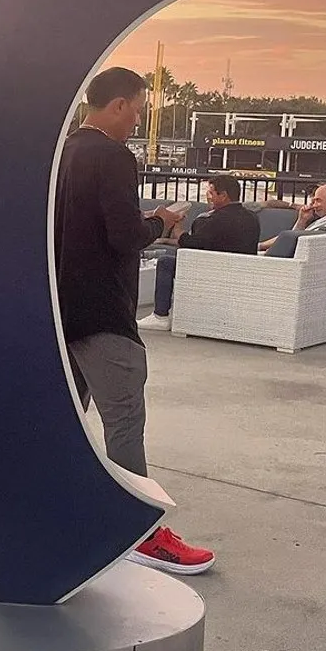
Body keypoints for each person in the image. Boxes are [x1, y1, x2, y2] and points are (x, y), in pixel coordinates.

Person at [56, 66, 214, 575]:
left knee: (67, 423)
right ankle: (138, 535)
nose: (139, 118)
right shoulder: (113, 157)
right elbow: (126, 237)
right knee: (124, 423)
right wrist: (163, 222)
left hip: (58, 308)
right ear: (120, 105)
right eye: (139, 108)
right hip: (103, 311)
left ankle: (70, 515)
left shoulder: (58, 154)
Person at [138, 175, 260, 332]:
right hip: (243, 270)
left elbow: (191, 245)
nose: (207, 197)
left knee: (165, 262)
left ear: (223, 195)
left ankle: (160, 316)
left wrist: (177, 228)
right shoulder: (252, 218)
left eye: (211, 193)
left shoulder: (212, 220)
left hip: (213, 271)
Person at [257, 182, 326, 254]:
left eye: (318, 200)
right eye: (313, 201)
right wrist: (302, 220)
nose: (313, 205)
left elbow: (290, 238)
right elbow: (293, 237)